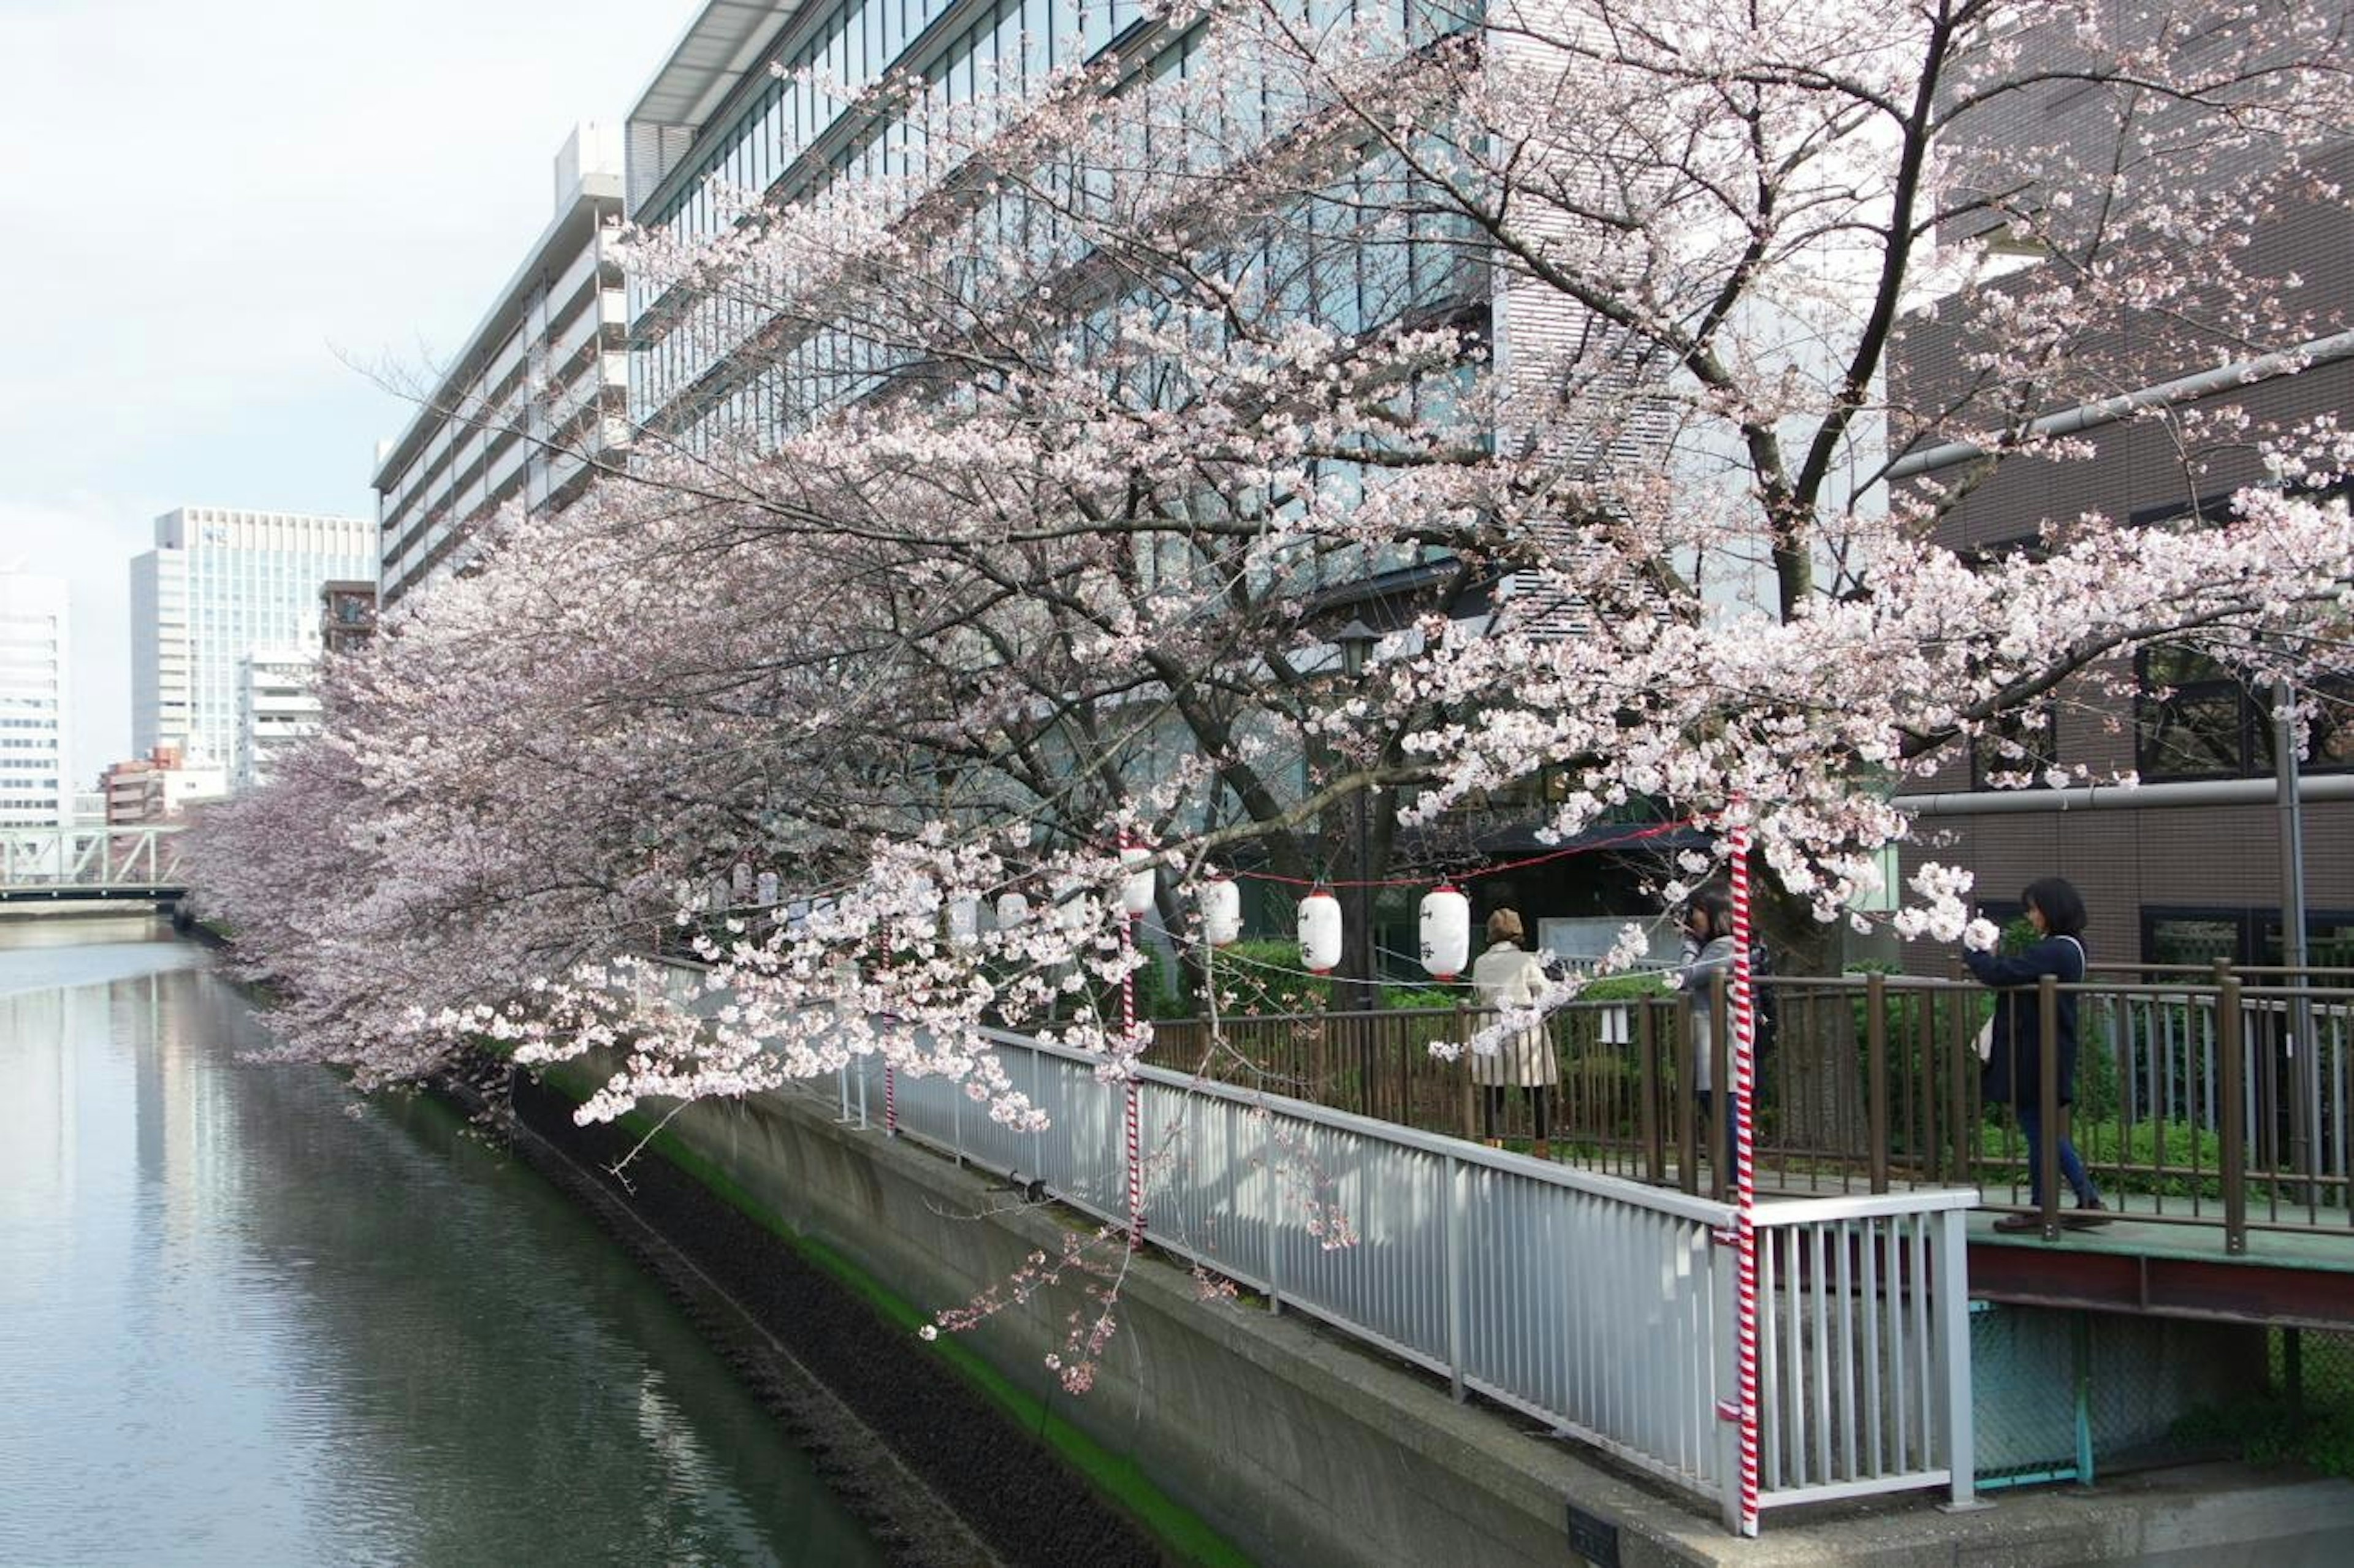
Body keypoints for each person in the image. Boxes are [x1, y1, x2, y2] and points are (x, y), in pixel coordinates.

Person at [1967, 875, 2109, 1232]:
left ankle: (2047, 1205)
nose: (2031, 917)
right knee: (2042, 1128)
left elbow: (2001, 974)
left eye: (2034, 909)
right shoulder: (2071, 946)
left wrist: (1975, 954)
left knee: (2039, 1130)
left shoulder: (2056, 949)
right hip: (2048, 1048)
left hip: (2036, 1052)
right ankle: (2081, 1198)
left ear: (2050, 910)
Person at [1469, 908, 1558, 1159]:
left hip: (1490, 1025)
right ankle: (1541, 1149)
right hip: (1523, 1026)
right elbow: (1545, 993)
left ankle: (1492, 1148)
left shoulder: (1480, 962)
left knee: (1492, 1090)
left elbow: (1478, 992)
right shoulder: (1526, 961)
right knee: (1535, 1089)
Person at [1669, 886, 1742, 1168]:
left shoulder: (1727, 946)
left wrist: (1688, 943)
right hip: (1714, 1048)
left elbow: (1685, 976)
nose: (1692, 917)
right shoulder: (1716, 947)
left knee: (1727, 1113)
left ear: (1715, 913)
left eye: (1697, 910)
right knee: (1719, 1111)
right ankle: (1731, 1177)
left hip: (1724, 1049)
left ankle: (1735, 1179)